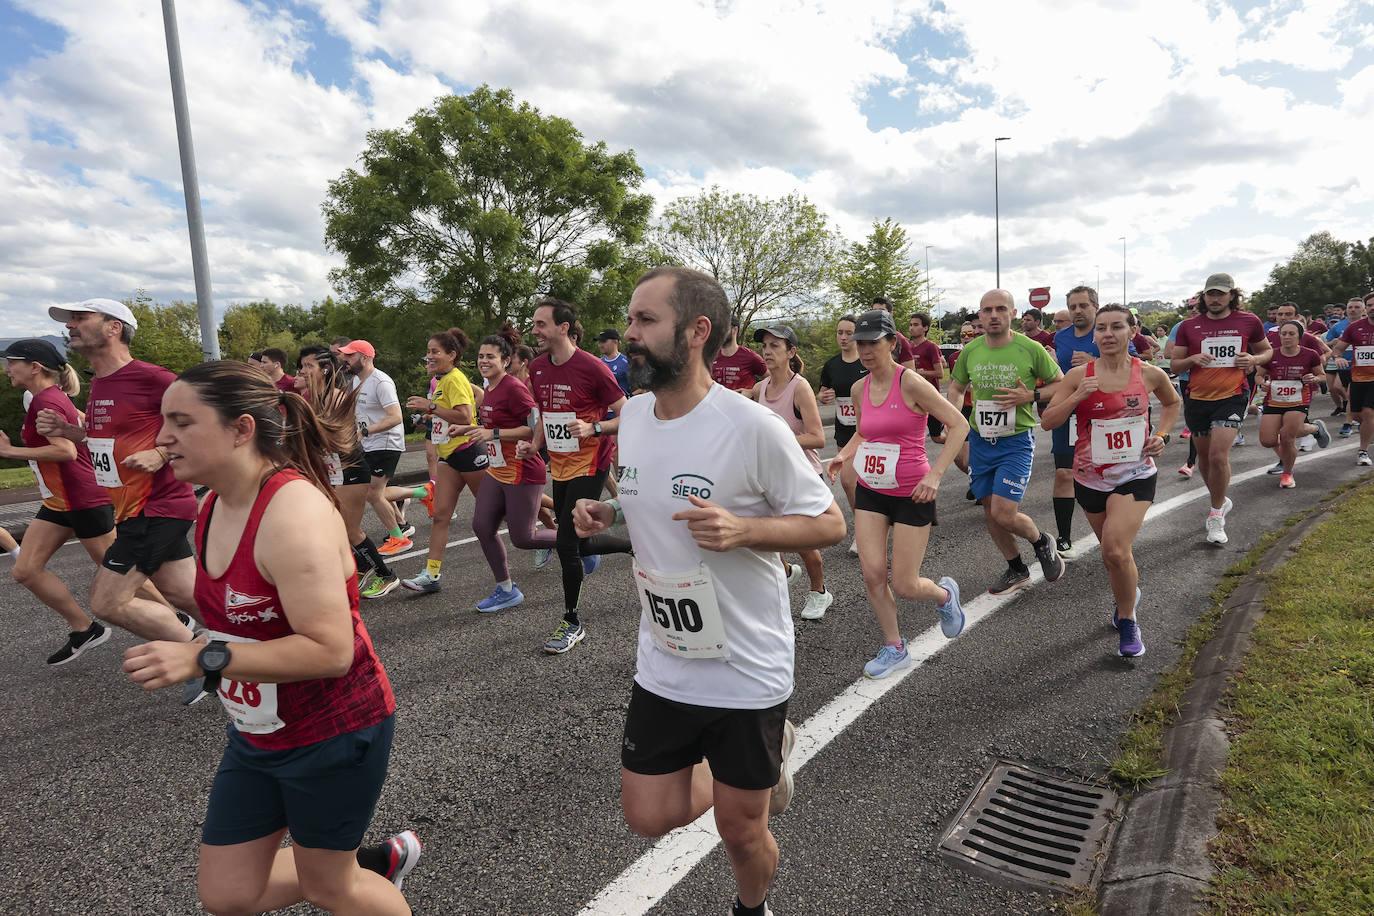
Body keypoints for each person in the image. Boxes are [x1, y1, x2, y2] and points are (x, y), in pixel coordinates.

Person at [571, 266, 845, 916]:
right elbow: (648, 492)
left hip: (746, 666)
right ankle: (767, 759)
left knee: (741, 832)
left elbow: (829, 521)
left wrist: (746, 529)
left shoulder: (751, 427)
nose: (629, 335)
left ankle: (751, 908)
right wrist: (607, 514)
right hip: (665, 653)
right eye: (631, 320)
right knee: (647, 813)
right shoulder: (633, 416)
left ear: (696, 332)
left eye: (645, 322)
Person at [121, 360, 418, 915]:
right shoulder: (213, 504)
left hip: (333, 732)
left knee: (330, 888)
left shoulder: (291, 514)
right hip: (259, 734)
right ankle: (359, 863)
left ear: (241, 429)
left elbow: (331, 651)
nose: (163, 437)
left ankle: (347, 873)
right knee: (227, 894)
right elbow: (233, 602)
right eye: (164, 421)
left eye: (182, 422)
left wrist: (201, 657)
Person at [37, 298, 200, 641]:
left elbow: (204, 424)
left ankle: (202, 659)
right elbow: (107, 441)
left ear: (114, 328)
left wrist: (161, 454)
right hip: (129, 509)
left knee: (107, 602)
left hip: (156, 506)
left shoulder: (153, 378)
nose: (70, 326)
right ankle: (264, 641)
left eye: (80, 318)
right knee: (187, 596)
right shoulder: (99, 382)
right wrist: (70, 433)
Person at [825, 309, 970, 677]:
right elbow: (865, 432)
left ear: (892, 343)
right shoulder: (859, 388)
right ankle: (894, 647)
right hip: (873, 490)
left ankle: (944, 596)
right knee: (872, 574)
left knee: (904, 584)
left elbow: (959, 424)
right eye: (861, 343)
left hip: (912, 491)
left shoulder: (911, 383)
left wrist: (936, 476)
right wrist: (843, 456)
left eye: (874, 342)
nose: (866, 350)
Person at [1041, 305, 1181, 657]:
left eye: (1116, 327)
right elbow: (1049, 421)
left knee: (1115, 551)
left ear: (1132, 332)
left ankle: (1128, 618)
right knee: (1114, 556)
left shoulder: (1148, 373)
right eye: (1101, 328)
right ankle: (1127, 592)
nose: (1107, 333)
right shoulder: (1078, 376)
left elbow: (1172, 402)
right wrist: (1077, 396)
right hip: (1089, 478)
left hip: (1135, 475)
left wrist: (1162, 435)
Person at [521, 298, 633, 653]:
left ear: (563, 328)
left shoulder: (593, 367)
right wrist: (535, 445)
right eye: (534, 324)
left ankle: (571, 621)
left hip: (591, 462)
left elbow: (627, 413)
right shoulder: (537, 368)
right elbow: (543, 413)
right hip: (560, 463)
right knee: (578, 541)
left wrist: (594, 427)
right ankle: (633, 544)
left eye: (541, 324)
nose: (534, 331)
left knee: (567, 542)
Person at [1, 339, 119, 664]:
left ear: (34, 366)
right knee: (25, 571)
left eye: (11, 362)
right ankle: (84, 629)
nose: (7, 368)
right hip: (58, 502)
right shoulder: (45, 398)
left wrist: (10, 452)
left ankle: (182, 626)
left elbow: (66, 451)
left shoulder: (45, 401)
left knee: (118, 575)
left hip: (82, 498)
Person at [946, 290, 1065, 595]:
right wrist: (955, 419)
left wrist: (1031, 395)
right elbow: (957, 388)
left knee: (1003, 513)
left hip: (1015, 441)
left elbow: (1061, 383)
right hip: (981, 440)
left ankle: (1041, 541)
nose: (993, 315)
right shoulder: (971, 351)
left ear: (1012, 313)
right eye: (987, 310)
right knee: (990, 511)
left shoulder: (1030, 348)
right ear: (980, 315)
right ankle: (1016, 568)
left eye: (1001, 309)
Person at [458, 330, 557, 612]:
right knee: (482, 526)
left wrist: (495, 435)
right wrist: (468, 429)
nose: (484, 361)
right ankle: (506, 589)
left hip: (522, 469)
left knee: (523, 538)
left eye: (490, 356)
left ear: (505, 360)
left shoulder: (513, 387)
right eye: (480, 356)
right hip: (497, 469)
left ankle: (576, 541)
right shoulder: (488, 387)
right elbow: (490, 429)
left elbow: (535, 427)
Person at [1169, 273, 1271, 545]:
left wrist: (1254, 359)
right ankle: (1220, 500)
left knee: (1217, 455)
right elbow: (1175, 365)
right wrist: (1192, 358)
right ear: (1203, 297)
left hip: (1233, 394)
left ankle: (1215, 516)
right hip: (1198, 397)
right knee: (1203, 459)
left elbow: (1267, 352)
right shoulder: (1189, 326)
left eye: (1220, 294)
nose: (1215, 299)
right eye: (1210, 294)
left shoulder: (1249, 321)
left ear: (1232, 295)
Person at [296, 345, 402, 602]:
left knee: (350, 530)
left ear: (324, 369)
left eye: (308, 366)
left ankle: (385, 575)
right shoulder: (316, 398)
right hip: (333, 471)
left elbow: (341, 439)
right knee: (332, 529)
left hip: (350, 470)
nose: (302, 372)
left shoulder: (336, 398)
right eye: (301, 367)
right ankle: (358, 569)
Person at [753, 325, 833, 620]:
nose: (768, 350)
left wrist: (780, 440)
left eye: (776, 345)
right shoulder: (761, 388)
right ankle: (786, 571)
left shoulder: (800, 387)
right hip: (770, 475)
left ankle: (819, 593)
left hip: (803, 475)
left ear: (791, 352)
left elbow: (818, 437)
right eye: (765, 346)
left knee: (803, 543)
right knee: (767, 536)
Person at [398, 329, 487, 594]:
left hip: (469, 451)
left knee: (501, 512)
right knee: (440, 516)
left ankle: (549, 529)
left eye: (435, 351)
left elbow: (465, 416)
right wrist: (430, 418)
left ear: (452, 355)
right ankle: (431, 574)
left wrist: (431, 407)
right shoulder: (441, 380)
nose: (429, 356)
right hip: (449, 457)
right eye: (428, 351)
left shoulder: (455, 379)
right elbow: (448, 415)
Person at [337, 341, 411, 561]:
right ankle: (415, 502)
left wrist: (366, 431)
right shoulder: (355, 382)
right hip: (368, 443)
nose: (346, 360)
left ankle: (399, 537)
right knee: (371, 491)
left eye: (350, 356)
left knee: (372, 492)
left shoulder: (381, 381)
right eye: (345, 356)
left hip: (386, 442)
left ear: (366, 357)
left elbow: (396, 417)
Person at [1049, 286, 1106, 557]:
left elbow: (1133, 365)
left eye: (1083, 306)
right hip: (1069, 412)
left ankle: (1112, 535)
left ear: (1095, 306)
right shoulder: (1061, 337)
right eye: (1073, 307)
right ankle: (1063, 538)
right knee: (1064, 473)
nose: (1078, 311)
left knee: (1102, 474)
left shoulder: (1108, 331)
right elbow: (1054, 374)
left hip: (1103, 413)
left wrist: (1094, 360)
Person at [1258, 321, 1332, 485]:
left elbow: (1322, 375)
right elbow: (1259, 375)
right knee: (1268, 441)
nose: (1287, 337)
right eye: (1283, 334)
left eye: (1291, 333)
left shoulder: (1310, 354)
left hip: (1298, 400)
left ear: (1300, 336)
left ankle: (1287, 474)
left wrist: (1313, 378)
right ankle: (1316, 428)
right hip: (1274, 400)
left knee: (1287, 436)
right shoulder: (1272, 354)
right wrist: (1262, 382)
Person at [816, 315, 867, 551]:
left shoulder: (867, 362)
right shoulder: (832, 365)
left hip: (870, 431)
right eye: (840, 333)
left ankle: (874, 524)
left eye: (848, 333)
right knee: (849, 482)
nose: (844, 337)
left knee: (869, 480)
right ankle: (864, 528)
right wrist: (822, 397)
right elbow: (823, 392)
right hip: (844, 430)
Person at [1329, 299, 1374, 466]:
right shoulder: (1354, 327)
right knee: (1357, 415)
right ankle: (1369, 430)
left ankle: (1362, 451)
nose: (1372, 308)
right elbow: (1338, 349)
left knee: (1368, 413)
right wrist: (1338, 357)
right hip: (1358, 378)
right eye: (1369, 305)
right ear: (1366, 308)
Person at [710, 315, 768, 398]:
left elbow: (773, 379)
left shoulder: (751, 357)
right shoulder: (710, 357)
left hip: (743, 409)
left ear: (734, 330)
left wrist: (752, 392)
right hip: (716, 408)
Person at [870, 296, 916, 368]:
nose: (877, 314)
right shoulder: (866, 338)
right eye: (874, 311)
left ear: (891, 314)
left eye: (882, 311)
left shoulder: (901, 340)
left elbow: (911, 371)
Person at [598, 328, 632, 397]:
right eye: (600, 342)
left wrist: (629, 399)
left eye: (604, 341)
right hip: (602, 406)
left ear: (615, 342)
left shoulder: (627, 362)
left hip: (622, 406)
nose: (601, 345)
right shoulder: (598, 363)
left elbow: (642, 388)